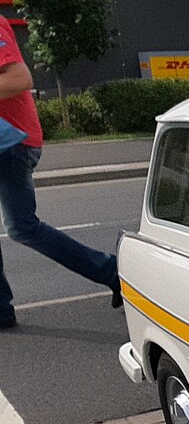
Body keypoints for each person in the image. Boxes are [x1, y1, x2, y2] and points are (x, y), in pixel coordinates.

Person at [0, 18, 120, 330]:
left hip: (12, 142)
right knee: (21, 227)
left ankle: (113, 271)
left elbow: (19, 78)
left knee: (22, 227)